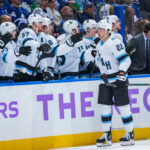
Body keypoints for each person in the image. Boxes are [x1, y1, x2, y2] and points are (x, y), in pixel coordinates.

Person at [95, 19, 134, 147]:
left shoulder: (114, 42)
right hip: (105, 81)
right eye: (98, 29)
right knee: (104, 108)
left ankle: (129, 134)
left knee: (123, 107)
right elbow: (100, 63)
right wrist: (103, 75)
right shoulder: (99, 44)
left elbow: (126, 60)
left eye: (101, 30)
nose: (98, 32)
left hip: (118, 79)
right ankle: (107, 135)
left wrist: (122, 74)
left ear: (107, 31)